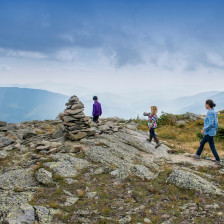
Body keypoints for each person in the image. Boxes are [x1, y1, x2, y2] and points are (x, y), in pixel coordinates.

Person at [194, 99, 220, 165]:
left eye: (205, 104)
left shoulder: (210, 112)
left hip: (209, 132)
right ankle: (197, 155)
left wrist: (204, 129)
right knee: (202, 142)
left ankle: (218, 160)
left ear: (208, 105)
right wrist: (216, 129)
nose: (205, 105)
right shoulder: (213, 111)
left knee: (212, 146)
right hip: (211, 132)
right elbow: (216, 122)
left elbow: (211, 123)